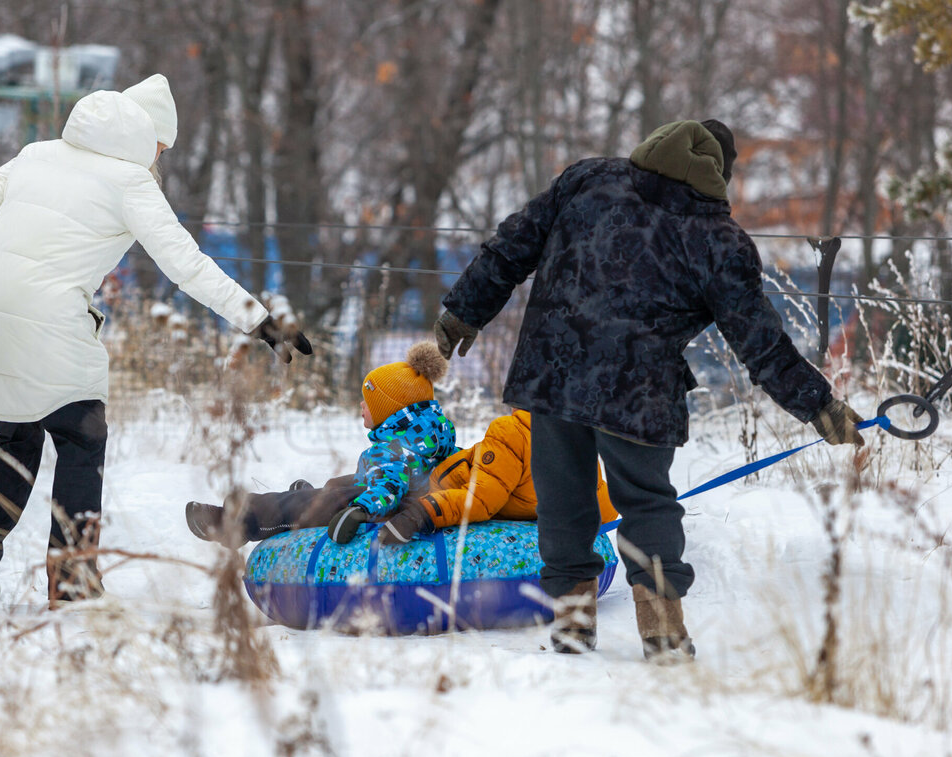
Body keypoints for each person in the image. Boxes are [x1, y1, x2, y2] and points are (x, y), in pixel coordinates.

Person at [433, 119, 865, 658]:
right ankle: (661, 629)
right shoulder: (718, 240)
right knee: (646, 504)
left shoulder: (587, 180)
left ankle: (571, 622)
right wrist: (819, 406)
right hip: (638, 393)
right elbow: (759, 341)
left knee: (562, 500)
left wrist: (462, 313)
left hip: (552, 372)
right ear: (719, 175)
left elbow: (511, 247)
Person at [0, 74, 311, 605]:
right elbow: (185, 264)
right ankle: (72, 576)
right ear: (146, 137)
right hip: (52, 325)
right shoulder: (129, 180)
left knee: (17, 441)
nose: (159, 157)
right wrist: (258, 320)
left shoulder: (34, 155)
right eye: (161, 147)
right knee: (81, 437)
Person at [186, 342, 455, 545]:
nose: (362, 405)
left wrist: (362, 509)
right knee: (338, 484)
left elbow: (390, 487)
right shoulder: (429, 434)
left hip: (388, 508)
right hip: (407, 497)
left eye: (369, 401)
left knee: (328, 499)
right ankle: (311, 494)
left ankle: (238, 521)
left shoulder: (395, 448)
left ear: (391, 410)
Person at [375, 409, 618, 545]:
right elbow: (604, 507)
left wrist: (421, 513)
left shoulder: (512, 432)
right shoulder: (578, 439)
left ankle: (360, 501)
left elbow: (479, 499)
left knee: (392, 487)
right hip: (458, 469)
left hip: (440, 486)